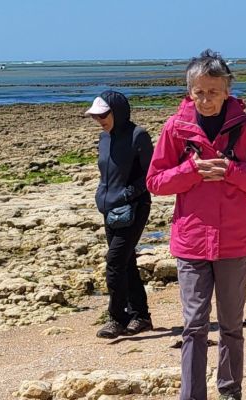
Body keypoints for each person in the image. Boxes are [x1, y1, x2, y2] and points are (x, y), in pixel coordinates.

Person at [145, 50, 246, 400]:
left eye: (213, 92)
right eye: (199, 92)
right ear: (189, 91)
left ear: (226, 90)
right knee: (194, 325)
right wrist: (190, 171)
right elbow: (155, 182)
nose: (206, 100)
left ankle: (230, 390)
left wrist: (232, 171)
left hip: (234, 241)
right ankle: (192, 396)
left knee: (232, 325)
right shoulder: (175, 128)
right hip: (191, 242)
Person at [89, 91, 155, 339]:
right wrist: (101, 196)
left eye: (103, 114)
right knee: (126, 262)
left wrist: (127, 195)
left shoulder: (139, 135)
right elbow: (106, 175)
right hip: (109, 210)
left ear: (117, 111)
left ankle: (117, 318)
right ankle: (141, 316)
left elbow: (150, 175)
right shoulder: (103, 138)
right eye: (95, 116)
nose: (99, 119)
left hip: (135, 208)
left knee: (114, 262)